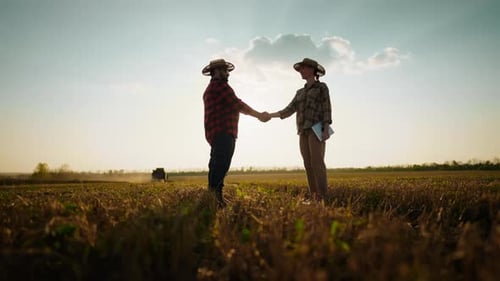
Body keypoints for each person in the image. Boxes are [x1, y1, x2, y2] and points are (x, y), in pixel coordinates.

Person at [202, 59, 270, 207]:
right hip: (224, 131)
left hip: (217, 132)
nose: (227, 73)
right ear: (216, 72)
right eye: (225, 70)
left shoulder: (212, 87)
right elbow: (238, 104)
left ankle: (215, 197)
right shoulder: (220, 87)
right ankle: (215, 198)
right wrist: (259, 115)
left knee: (216, 165)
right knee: (221, 165)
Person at [264, 58, 332, 203]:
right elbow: (289, 109)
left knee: (317, 162)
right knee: (307, 164)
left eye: (303, 68)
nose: (300, 71)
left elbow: (327, 108)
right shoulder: (300, 92)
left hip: (317, 127)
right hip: (303, 130)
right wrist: (270, 115)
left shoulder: (322, 88)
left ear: (312, 70)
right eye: (300, 69)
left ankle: (324, 197)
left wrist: (326, 128)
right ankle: (314, 197)